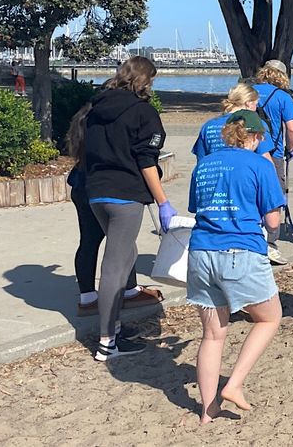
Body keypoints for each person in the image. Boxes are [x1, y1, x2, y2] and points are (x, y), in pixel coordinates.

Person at [184, 110, 285, 423]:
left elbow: (196, 207)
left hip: (201, 252)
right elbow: (273, 222)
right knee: (269, 318)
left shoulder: (204, 165)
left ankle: (206, 410)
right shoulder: (259, 164)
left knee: (213, 336)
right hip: (239, 251)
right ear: (254, 137)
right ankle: (235, 384)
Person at [83, 56, 175, 361]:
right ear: (145, 80)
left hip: (96, 191)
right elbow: (146, 160)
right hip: (125, 196)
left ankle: (116, 326)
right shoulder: (143, 113)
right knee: (115, 265)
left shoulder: (96, 109)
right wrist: (163, 201)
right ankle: (107, 342)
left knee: (127, 255)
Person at [68, 104, 163, 317]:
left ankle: (87, 296)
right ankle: (127, 292)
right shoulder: (113, 120)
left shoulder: (87, 117)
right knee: (122, 242)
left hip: (82, 184)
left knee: (89, 241)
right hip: (107, 186)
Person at [253, 59, 293, 265]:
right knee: (274, 196)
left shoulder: (248, 92)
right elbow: (290, 128)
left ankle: (252, 238)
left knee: (251, 195)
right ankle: (271, 243)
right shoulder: (282, 97)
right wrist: (290, 149)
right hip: (273, 152)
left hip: (248, 150)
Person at [192, 83, 276, 162]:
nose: (256, 109)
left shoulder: (209, 125)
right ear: (248, 103)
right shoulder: (254, 123)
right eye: (256, 105)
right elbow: (265, 158)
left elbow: (201, 159)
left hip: (215, 172)